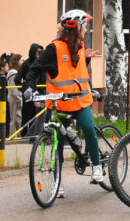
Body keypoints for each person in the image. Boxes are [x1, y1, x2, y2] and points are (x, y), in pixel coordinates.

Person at [24, 10, 105, 196]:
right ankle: (58, 182)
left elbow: (75, 69)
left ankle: (96, 166)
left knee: (88, 127)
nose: (86, 29)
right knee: (58, 142)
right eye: (84, 26)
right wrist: (29, 87)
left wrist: (87, 58)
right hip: (60, 103)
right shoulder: (54, 49)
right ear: (77, 28)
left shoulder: (81, 45)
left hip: (80, 100)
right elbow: (35, 69)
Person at [18, 43, 45, 138]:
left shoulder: (42, 63)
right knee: (26, 116)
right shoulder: (27, 64)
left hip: (41, 92)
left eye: (41, 52)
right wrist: (24, 90)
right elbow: (17, 79)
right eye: (38, 52)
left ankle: (32, 136)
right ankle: (25, 136)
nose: (39, 54)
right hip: (30, 93)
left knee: (38, 116)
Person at [6, 53, 23, 135]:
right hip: (14, 97)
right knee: (14, 118)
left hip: (16, 97)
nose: (23, 61)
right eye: (21, 60)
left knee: (18, 118)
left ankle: (18, 135)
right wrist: (19, 99)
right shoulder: (13, 73)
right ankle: (13, 136)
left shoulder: (17, 72)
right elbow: (14, 89)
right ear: (16, 61)